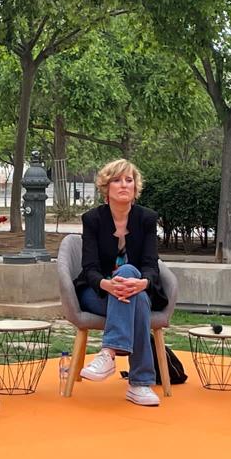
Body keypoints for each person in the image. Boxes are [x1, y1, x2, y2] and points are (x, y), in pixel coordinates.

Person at [72, 159, 167, 407]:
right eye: (117, 180)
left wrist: (142, 283)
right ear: (106, 187)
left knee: (132, 282)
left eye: (129, 180)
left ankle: (108, 353)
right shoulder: (92, 219)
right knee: (137, 301)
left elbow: (151, 265)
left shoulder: (147, 218)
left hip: (138, 290)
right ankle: (140, 384)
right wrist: (108, 285)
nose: (124, 184)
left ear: (135, 187)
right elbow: (89, 269)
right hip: (98, 293)